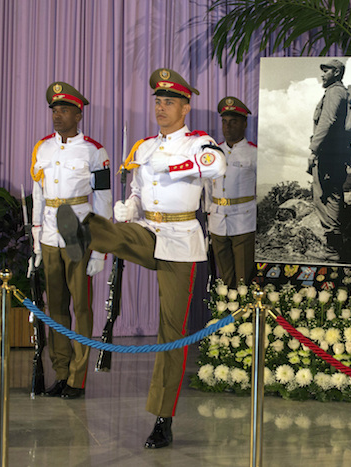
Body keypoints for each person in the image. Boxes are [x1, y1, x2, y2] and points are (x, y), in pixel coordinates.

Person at [55, 68, 226, 449]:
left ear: (185, 106)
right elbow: (137, 189)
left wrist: (177, 166)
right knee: (119, 233)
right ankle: (84, 231)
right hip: (147, 232)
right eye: (157, 102)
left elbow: (217, 165)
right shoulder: (144, 147)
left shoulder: (199, 141)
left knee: (172, 333)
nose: (161, 108)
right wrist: (129, 205)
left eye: (169, 102)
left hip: (182, 242)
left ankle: (163, 418)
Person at [29, 82, 112, 399]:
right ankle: (61, 372)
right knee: (56, 308)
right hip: (50, 234)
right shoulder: (42, 148)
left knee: (82, 307)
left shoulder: (94, 150)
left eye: (64, 110)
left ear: (79, 114)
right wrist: (37, 239)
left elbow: (103, 201)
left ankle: (77, 378)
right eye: (54, 110)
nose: (57, 115)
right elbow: (38, 193)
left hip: (78, 233)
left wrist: (99, 251)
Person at [204, 96, 257, 288]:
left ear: (244, 123)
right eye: (224, 122)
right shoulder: (213, 153)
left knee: (244, 280)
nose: (227, 127)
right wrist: (209, 210)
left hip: (244, 221)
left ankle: (242, 316)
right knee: (224, 279)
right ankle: (224, 315)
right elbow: (208, 186)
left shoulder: (254, 154)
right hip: (218, 221)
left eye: (233, 122)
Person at [308, 59, 351, 261]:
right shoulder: (336, 92)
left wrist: (313, 149)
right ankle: (334, 247)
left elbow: (327, 121)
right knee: (328, 195)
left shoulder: (335, 92)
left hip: (329, 154)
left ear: (336, 72)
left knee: (328, 197)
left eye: (326, 70)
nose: (322, 74)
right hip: (334, 153)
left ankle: (332, 250)